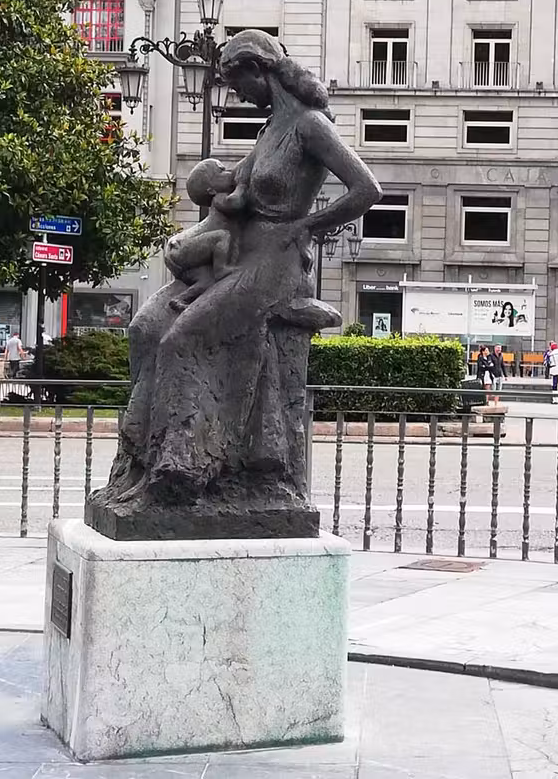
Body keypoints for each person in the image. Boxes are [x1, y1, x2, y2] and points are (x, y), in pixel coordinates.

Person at [88, 28, 382, 514]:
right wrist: (191, 239)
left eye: (237, 82)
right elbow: (228, 190)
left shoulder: (310, 126)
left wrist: (306, 227)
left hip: (277, 260)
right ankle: (139, 460)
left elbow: (367, 189)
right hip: (239, 251)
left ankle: (182, 471)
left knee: (184, 336)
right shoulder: (268, 133)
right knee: (146, 326)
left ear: (259, 70)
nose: (237, 95)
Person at [164, 158, 241, 313]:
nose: (228, 172)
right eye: (221, 171)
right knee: (222, 236)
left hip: (178, 255)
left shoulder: (219, 197)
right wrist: (243, 186)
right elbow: (237, 203)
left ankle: (181, 299)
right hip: (182, 247)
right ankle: (221, 269)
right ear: (211, 190)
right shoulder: (219, 198)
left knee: (207, 281)